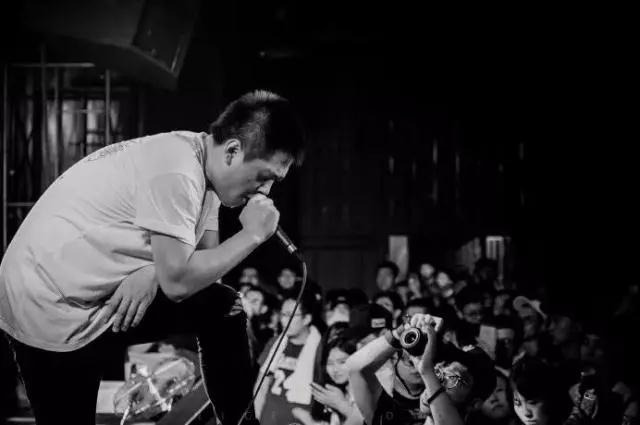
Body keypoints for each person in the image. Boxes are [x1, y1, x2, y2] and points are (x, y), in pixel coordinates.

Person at [0, 90, 304, 425]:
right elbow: (179, 283)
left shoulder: (205, 175)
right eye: (264, 177)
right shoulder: (178, 171)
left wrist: (153, 271)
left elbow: (204, 276)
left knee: (222, 305)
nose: (265, 192)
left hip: (99, 297)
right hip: (48, 303)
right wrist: (253, 235)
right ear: (232, 151)